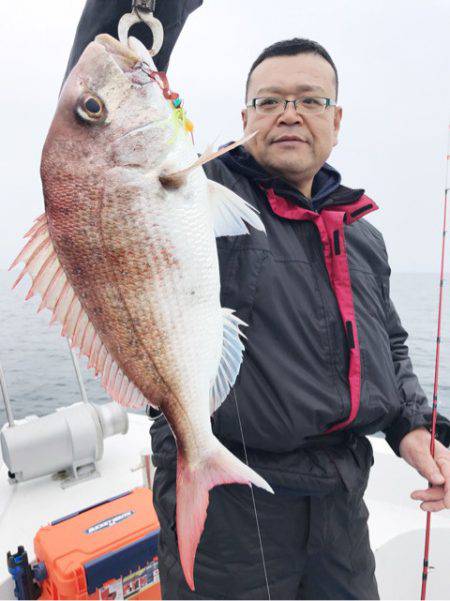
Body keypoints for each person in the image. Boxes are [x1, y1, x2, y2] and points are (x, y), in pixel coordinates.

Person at [66, 2, 450, 599]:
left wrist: (412, 426)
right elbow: (97, 133)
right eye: (269, 101)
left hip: (341, 507)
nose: (288, 114)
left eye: (310, 100)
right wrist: (142, 11)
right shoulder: (204, 193)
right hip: (232, 514)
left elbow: (388, 345)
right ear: (245, 115)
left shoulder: (361, 234)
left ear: (337, 118)